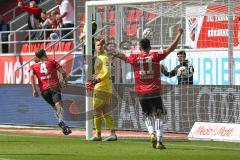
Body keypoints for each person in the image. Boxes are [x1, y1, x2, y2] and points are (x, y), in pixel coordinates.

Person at [109, 28, 183, 149]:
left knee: (147, 114)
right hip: (154, 91)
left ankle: (151, 134)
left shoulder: (134, 58)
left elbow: (121, 55)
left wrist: (111, 50)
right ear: (150, 47)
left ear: (140, 48)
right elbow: (171, 49)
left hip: (141, 92)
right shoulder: (155, 56)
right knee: (158, 115)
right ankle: (159, 141)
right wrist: (179, 35)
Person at [29, 49, 72, 135]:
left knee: (55, 108)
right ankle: (61, 122)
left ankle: (64, 126)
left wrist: (34, 89)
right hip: (54, 87)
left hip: (44, 91)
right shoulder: (52, 61)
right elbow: (63, 72)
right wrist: (65, 82)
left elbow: (31, 77)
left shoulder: (33, 66)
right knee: (59, 106)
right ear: (45, 53)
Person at [85, 39, 117, 141]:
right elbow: (101, 72)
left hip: (101, 87)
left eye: (101, 45)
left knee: (96, 110)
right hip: (106, 87)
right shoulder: (100, 58)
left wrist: (97, 80)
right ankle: (112, 134)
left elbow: (107, 72)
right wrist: (94, 78)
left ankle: (98, 135)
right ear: (95, 47)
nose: (100, 46)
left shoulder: (104, 58)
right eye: (98, 45)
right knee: (105, 111)